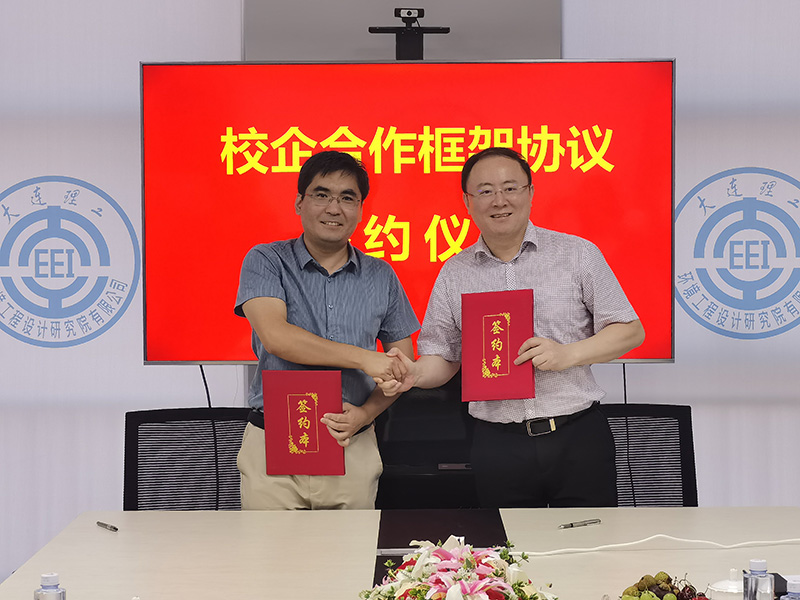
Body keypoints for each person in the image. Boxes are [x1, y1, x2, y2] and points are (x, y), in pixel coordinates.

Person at [378, 147, 645, 508]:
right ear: (467, 201)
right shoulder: (455, 273)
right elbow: (444, 356)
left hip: (576, 435)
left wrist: (567, 354)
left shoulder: (577, 254)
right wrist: (413, 374)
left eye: (510, 188)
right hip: (497, 444)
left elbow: (629, 330)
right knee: (506, 543)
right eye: (485, 191)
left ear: (530, 192)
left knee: (588, 540)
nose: (499, 200)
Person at [234, 150, 419, 510]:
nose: (334, 208)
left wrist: (366, 413)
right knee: (267, 548)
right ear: (299, 203)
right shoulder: (266, 260)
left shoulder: (381, 275)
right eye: (322, 195)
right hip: (274, 443)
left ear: (360, 209)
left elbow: (403, 364)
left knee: (350, 548)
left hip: (350, 441)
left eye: (347, 198)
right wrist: (365, 359)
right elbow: (277, 337)